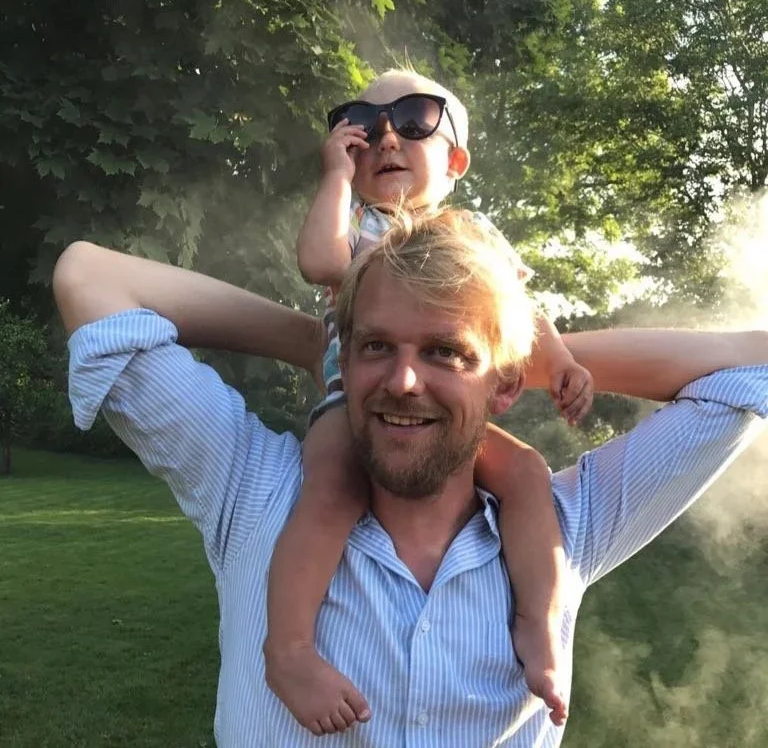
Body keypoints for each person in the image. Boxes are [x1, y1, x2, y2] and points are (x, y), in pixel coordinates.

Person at [55, 211, 768, 747]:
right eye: (376, 346)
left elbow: (753, 363)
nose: (400, 380)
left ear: (506, 384)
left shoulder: (558, 528)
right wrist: (317, 342)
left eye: (442, 351)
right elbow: (91, 278)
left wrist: (510, 354)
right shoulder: (254, 491)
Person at [267, 68, 593, 732]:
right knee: (330, 491)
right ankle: (289, 648)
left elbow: (516, 307)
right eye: (364, 124)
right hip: (352, 404)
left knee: (528, 473)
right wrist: (334, 174)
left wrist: (558, 358)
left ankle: (536, 625)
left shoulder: (473, 240)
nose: (385, 136)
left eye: (414, 119)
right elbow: (320, 262)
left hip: (443, 417)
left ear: (455, 160)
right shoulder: (357, 223)